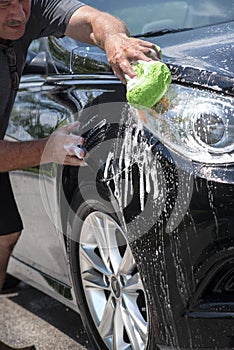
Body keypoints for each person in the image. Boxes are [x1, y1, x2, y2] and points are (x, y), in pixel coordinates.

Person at [0, 0, 159, 291]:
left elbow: (91, 20)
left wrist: (113, 39)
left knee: (4, 234)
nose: (18, 14)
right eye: (3, 5)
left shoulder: (31, 9)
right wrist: (47, 149)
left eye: (22, 1)